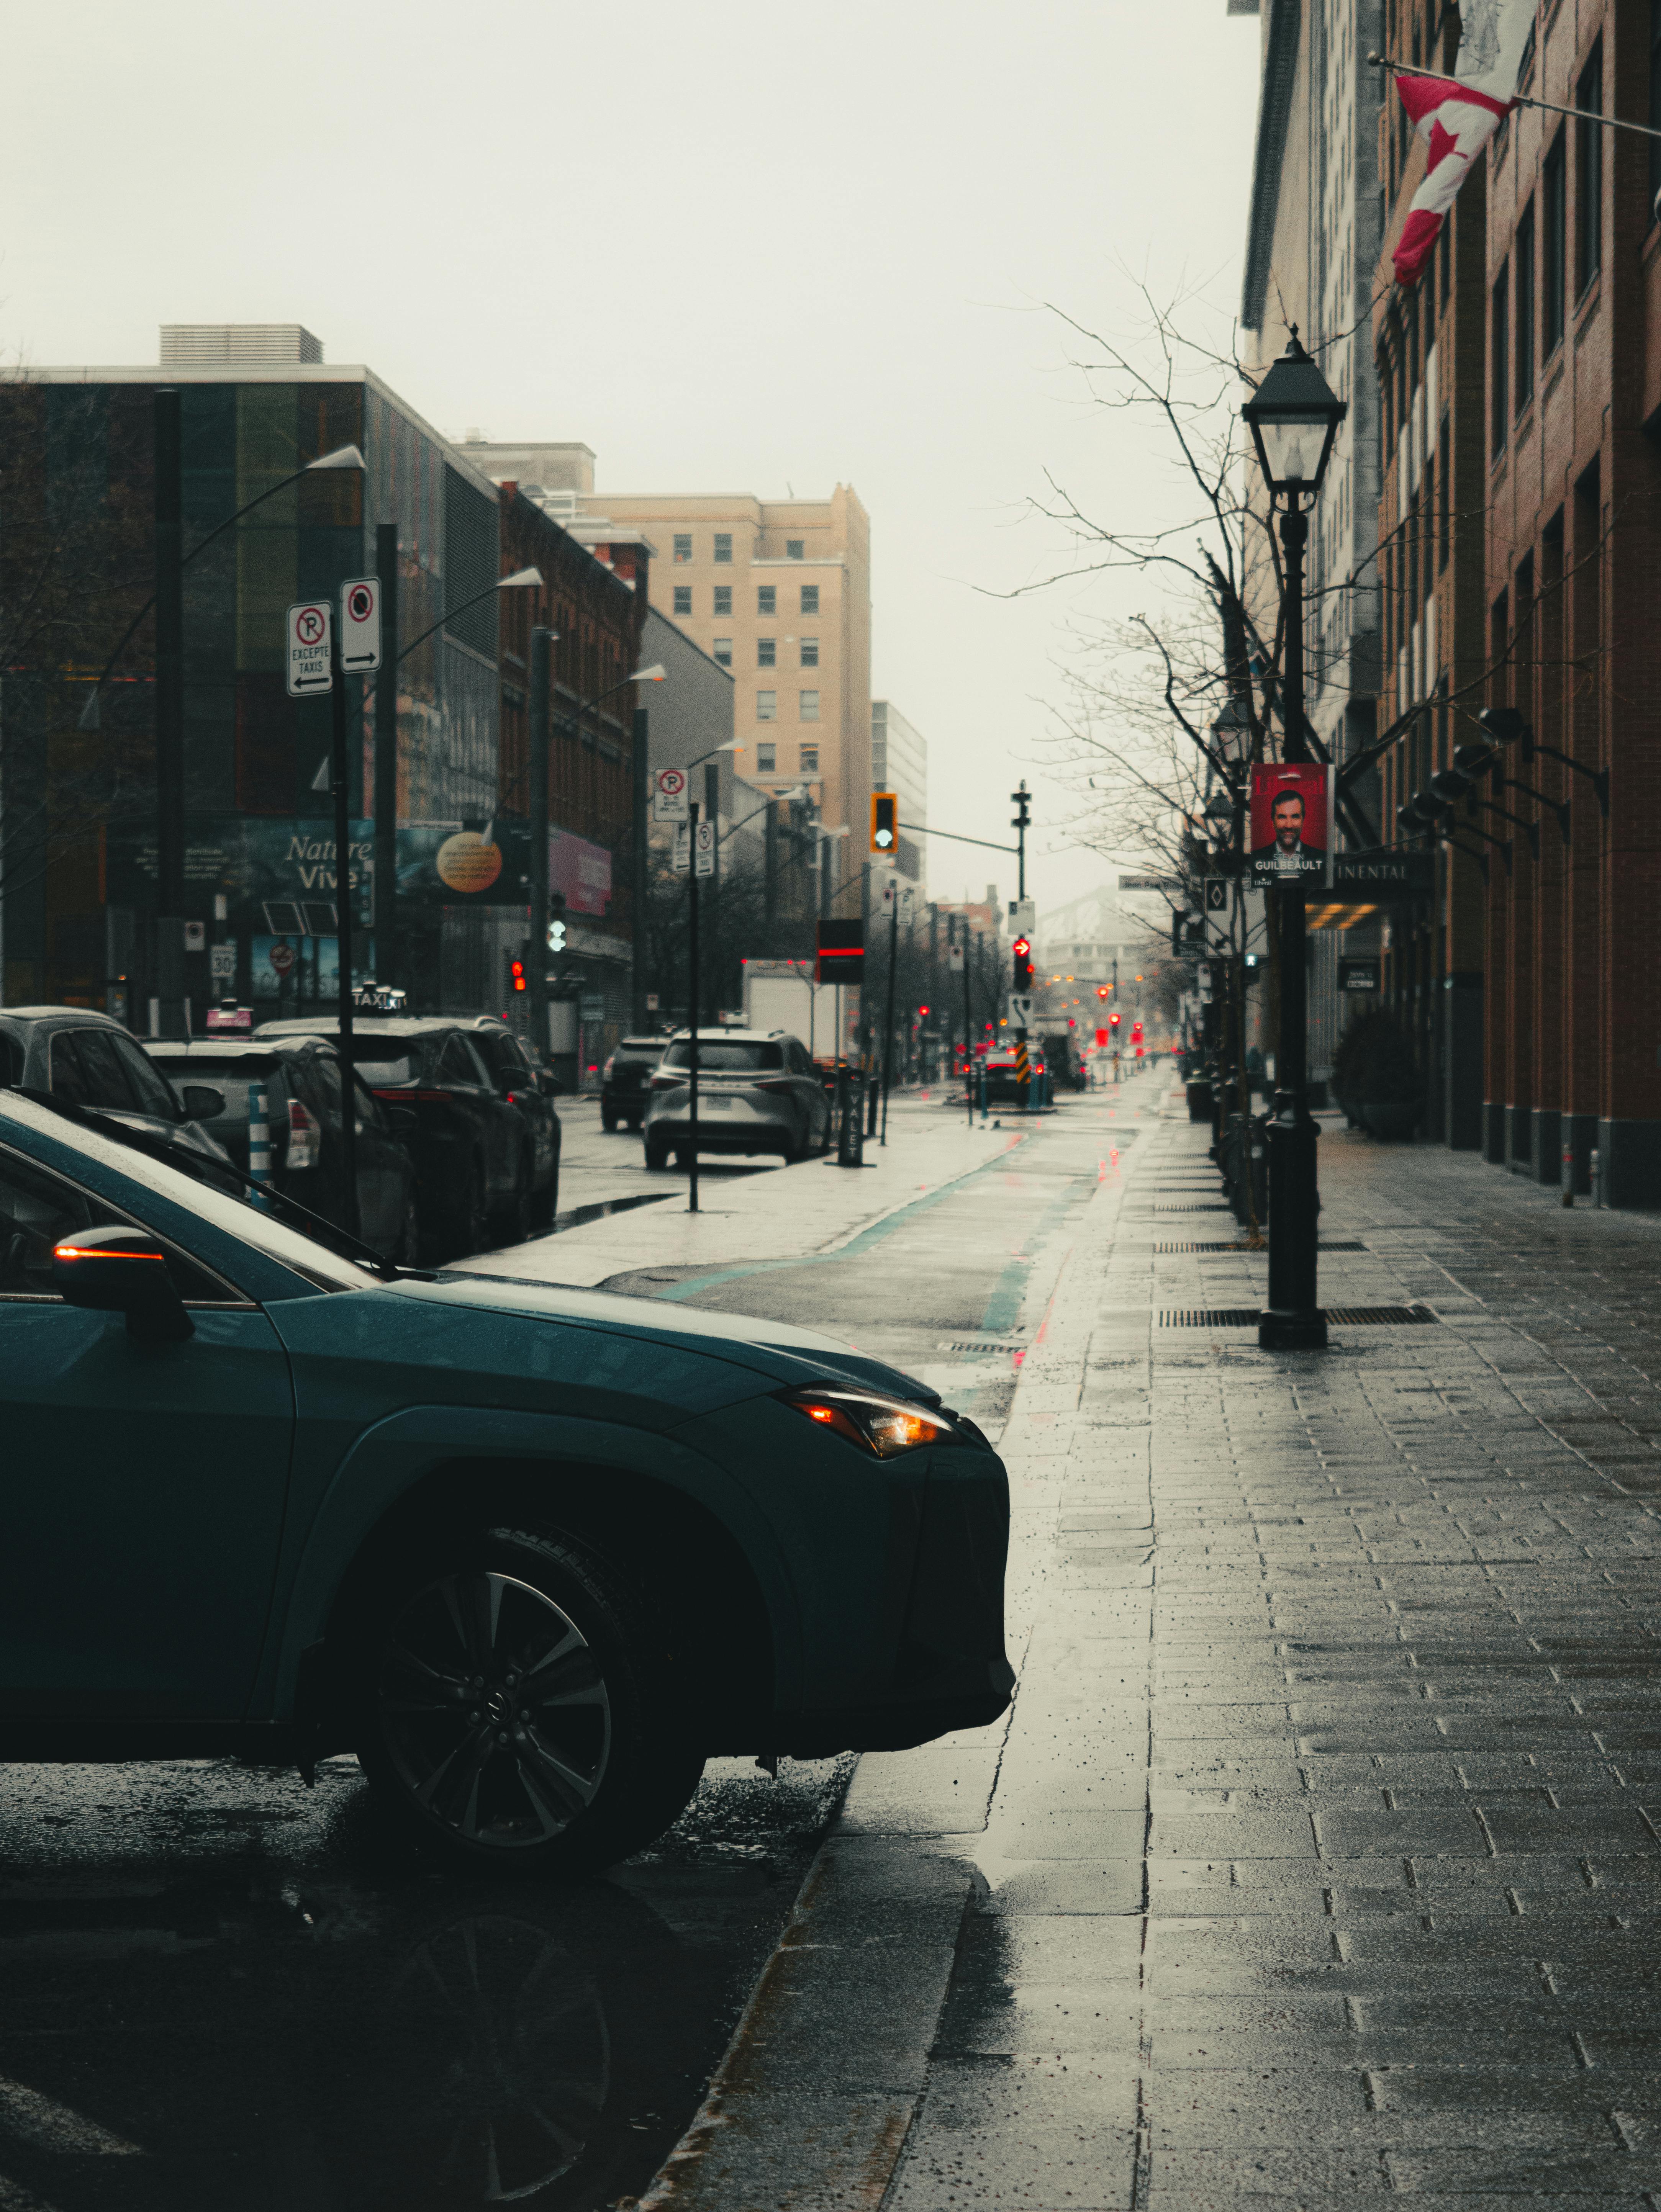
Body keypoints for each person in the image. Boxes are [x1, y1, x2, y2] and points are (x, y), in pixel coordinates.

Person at [1249, 788, 1325, 872]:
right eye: (1282, 817)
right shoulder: (1257, 858)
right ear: (1273, 821)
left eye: (1295, 817)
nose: (1289, 826)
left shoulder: (1321, 858)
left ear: (1303, 820)